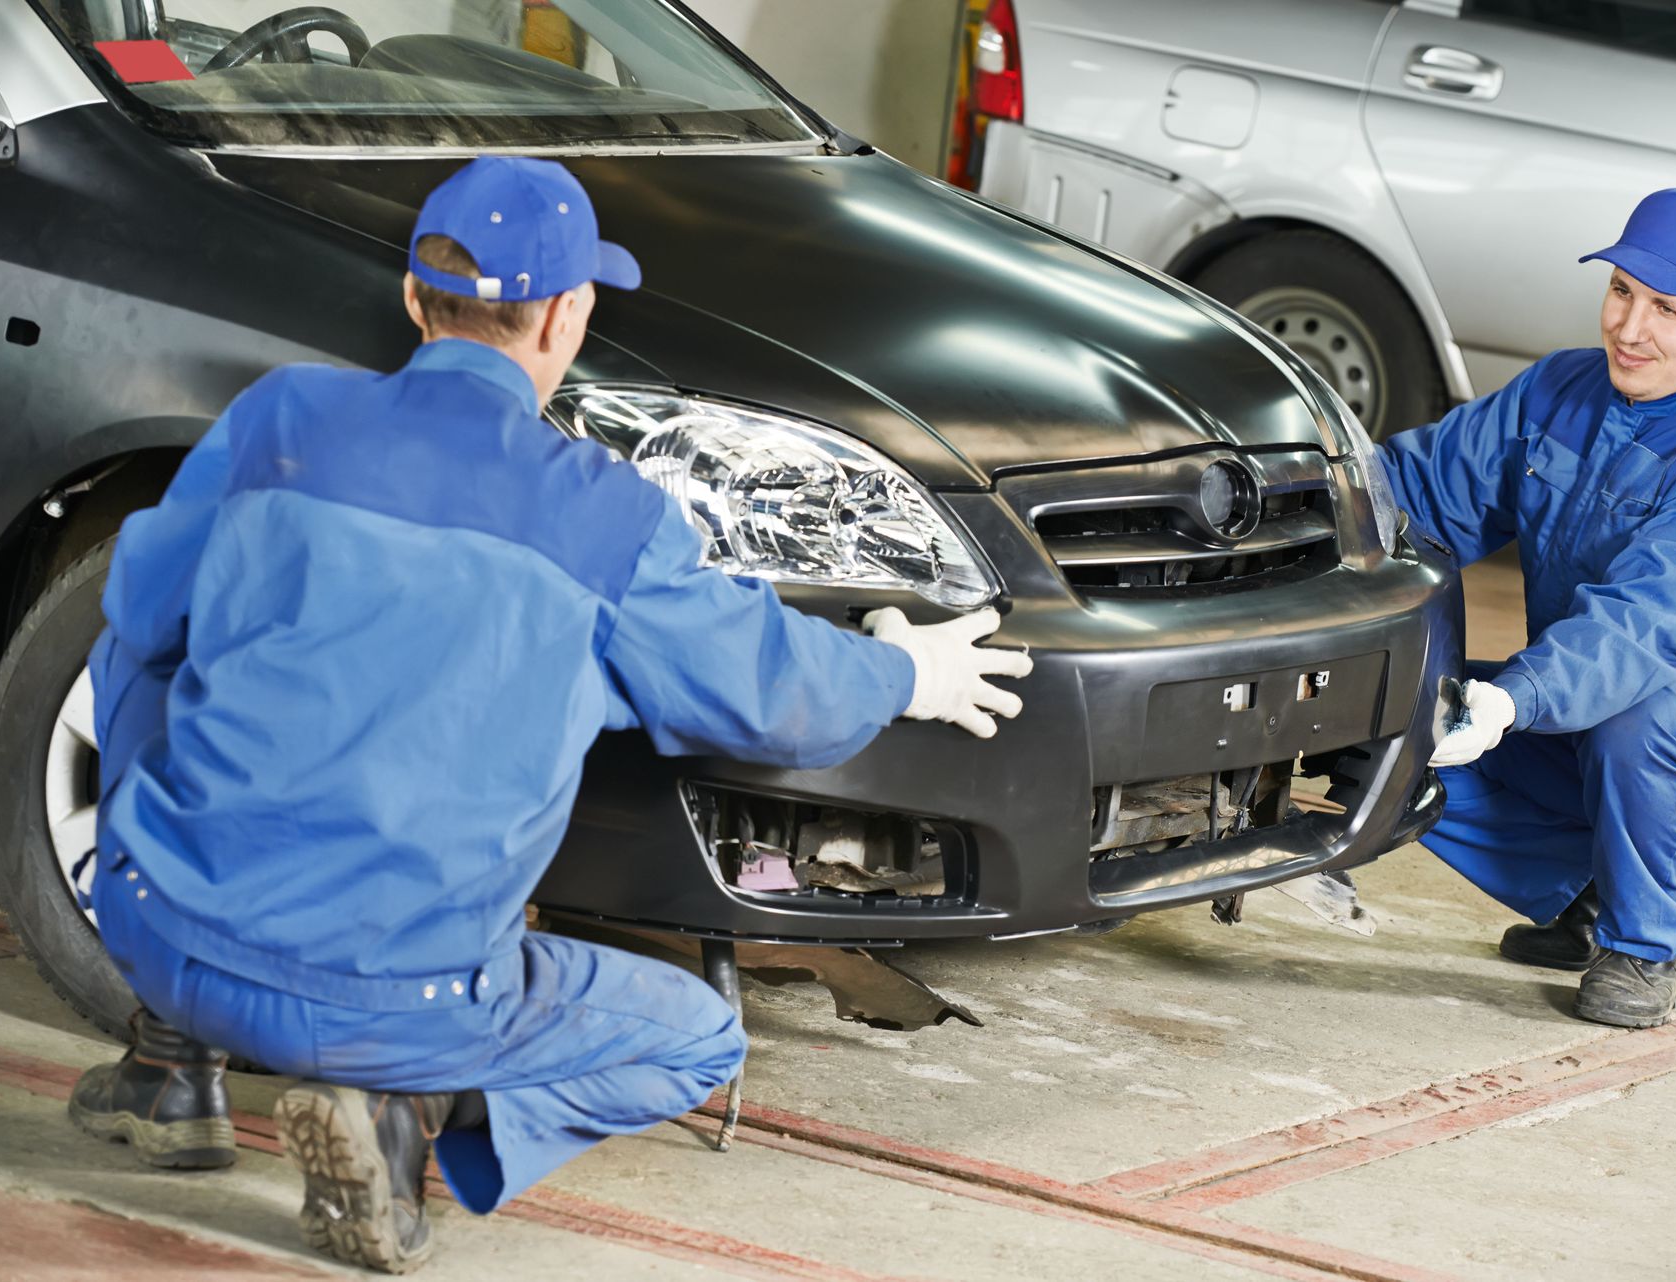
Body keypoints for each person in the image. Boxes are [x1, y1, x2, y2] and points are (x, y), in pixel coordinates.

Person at [65, 156, 1032, 1274]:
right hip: (401, 1002)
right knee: (696, 1040)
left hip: (160, 926)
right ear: (566, 317)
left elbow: (139, 610)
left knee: (136, 638)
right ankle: (396, 1121)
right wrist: (907, 672)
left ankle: (170, 1067)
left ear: (415, 298)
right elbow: (774, 696)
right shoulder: (603, 518)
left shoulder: (281, 420)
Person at [1382, 188, 1676, 1029]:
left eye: (1668, 308)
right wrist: (1299, 493)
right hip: (1587, 701)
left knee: (1649, 722)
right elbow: (1419, 491)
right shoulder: (1561, 389)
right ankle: (1583, 888)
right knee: (1388, 729)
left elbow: (1642, 629)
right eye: (1622, 290)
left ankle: (1644, 947)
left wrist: (1515, 698)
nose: (1630, 329)